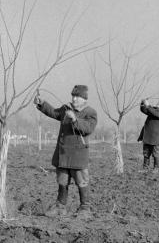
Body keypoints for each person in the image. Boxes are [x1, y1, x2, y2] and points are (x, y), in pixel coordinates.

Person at [34, 85, 97, 217]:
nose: (74, 99)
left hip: (78, 155)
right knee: (62, 181)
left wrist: (75, 119)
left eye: (77, 96)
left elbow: (88, 128)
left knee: (82, 182)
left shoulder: (90, 112)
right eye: (73, 96)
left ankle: (85, 208)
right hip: (63, 154)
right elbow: (54, 112)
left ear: (84, 99)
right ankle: (60, 207)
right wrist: (42, 104)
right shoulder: (65, 109)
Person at [137, 99, 159, 173]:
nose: (157, 104)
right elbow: (144, 110)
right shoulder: (152, 110)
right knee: (146, 154)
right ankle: (145, 168)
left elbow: (153, 112)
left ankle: (156, 168)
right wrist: (142, 104)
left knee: (155, 154)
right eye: (158, 103)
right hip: (147, 136)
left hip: (155, 137)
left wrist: (148, 105)